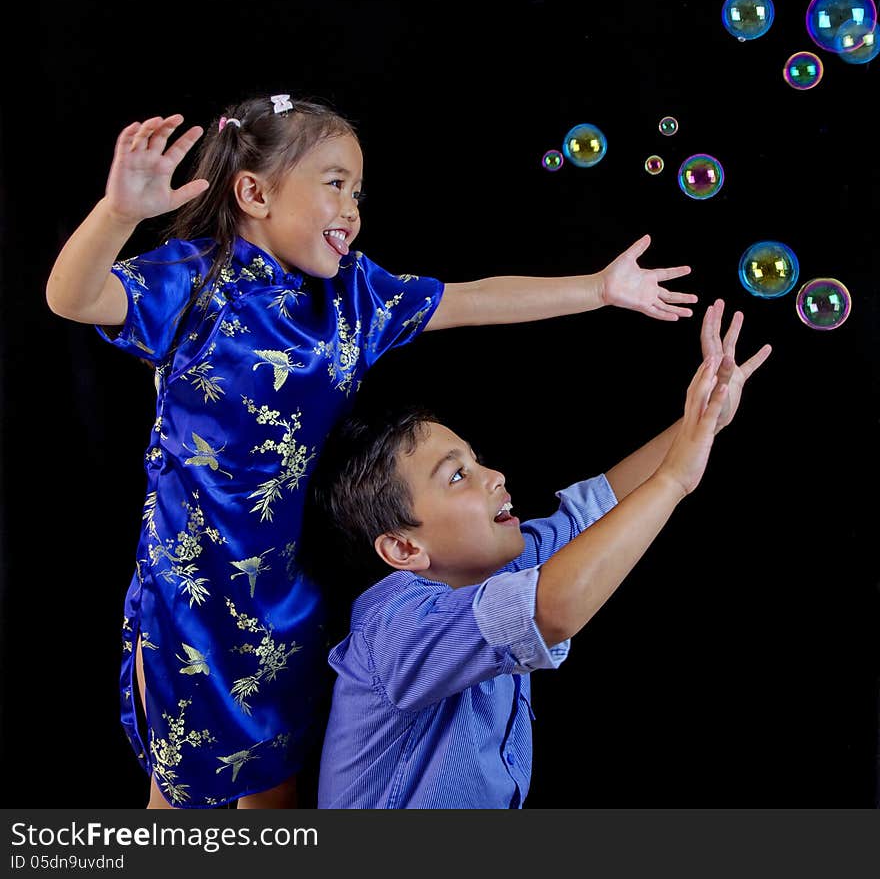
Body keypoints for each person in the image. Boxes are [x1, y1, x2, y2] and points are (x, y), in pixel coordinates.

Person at [45, 92, 699, 810]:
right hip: (192, 591)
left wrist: (599, 289)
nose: (353, 208)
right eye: (334, 184)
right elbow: (74, 298)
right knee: (182, 794)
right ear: (254, 192)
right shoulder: (194, 280)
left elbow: (473, 298)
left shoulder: (355, 296)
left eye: (358, 191)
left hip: (290, 596)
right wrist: (120, 214)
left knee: (275, 790)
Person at [309, 300, 771, 808]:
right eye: (458, 475)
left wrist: (702, 423)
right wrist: (675, 479)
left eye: (477, 461)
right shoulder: (393, 628)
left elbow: (596, 512)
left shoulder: (501, 569)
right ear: (403, 547)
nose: (495, 476)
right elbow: (550, 610)